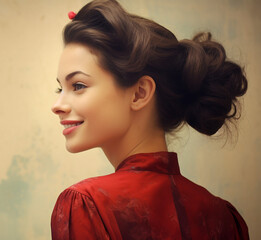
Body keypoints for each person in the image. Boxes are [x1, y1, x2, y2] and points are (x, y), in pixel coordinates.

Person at [50, 0, 249, 239]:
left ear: (140, 93)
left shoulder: (86, 204)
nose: (57, 106)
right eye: (59, 89)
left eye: (78, 85)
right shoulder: (226, 217)